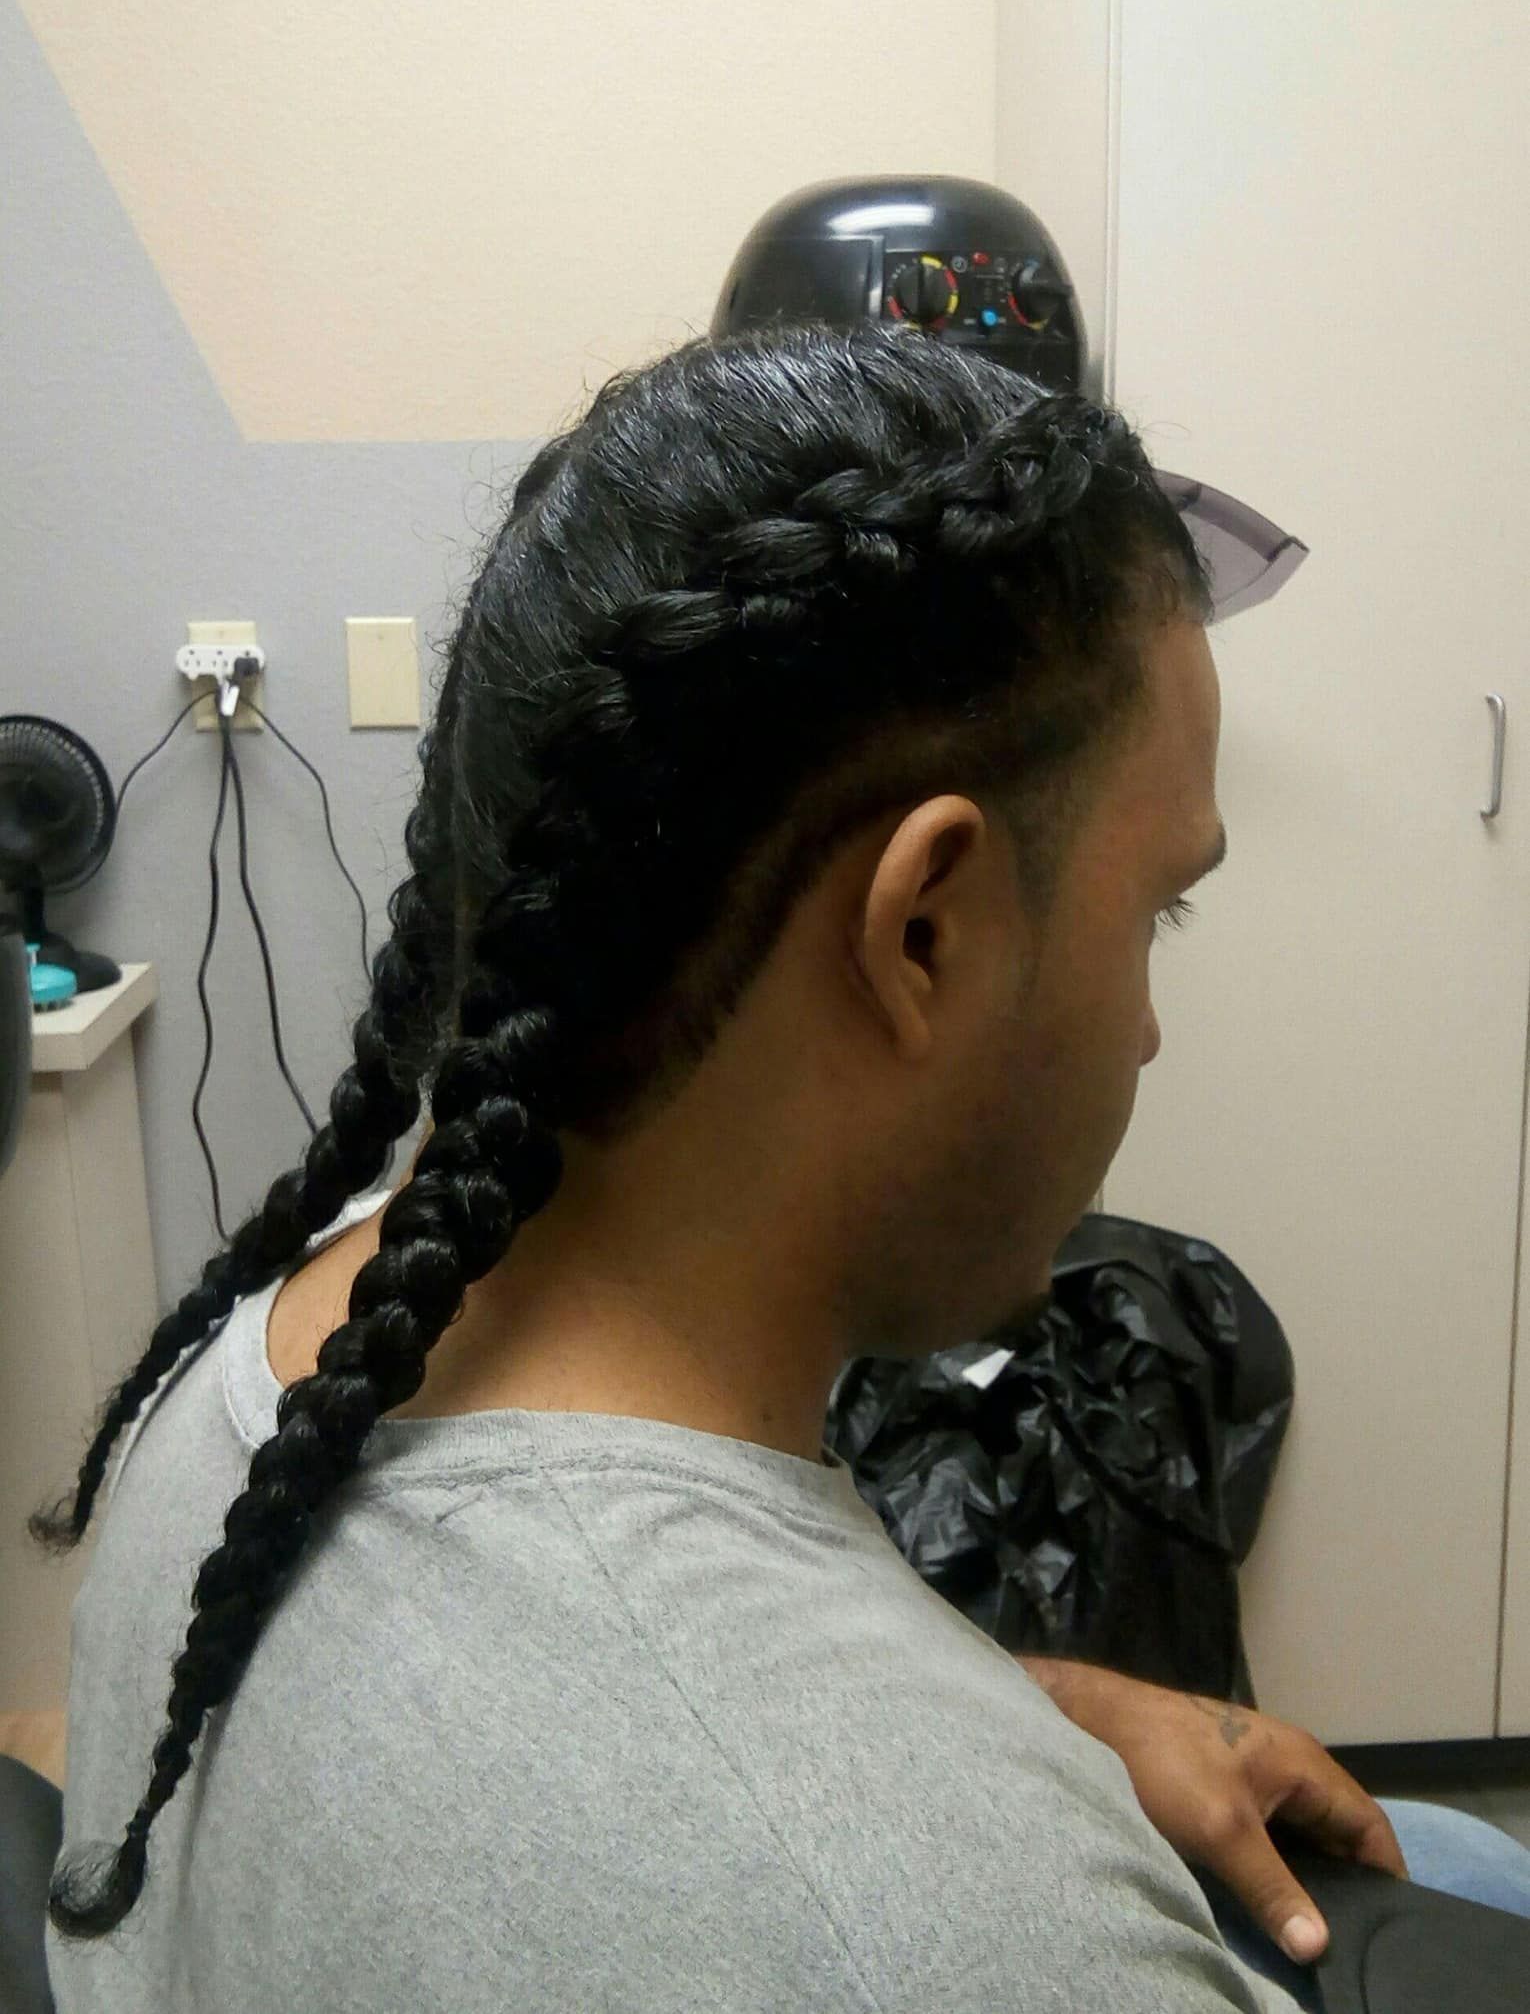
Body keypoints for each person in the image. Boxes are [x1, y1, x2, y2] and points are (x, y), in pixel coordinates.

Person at [32, 321, 1530, 2012]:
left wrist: (1025, 1715)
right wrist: (957, 1795)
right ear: (925, 930)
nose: (1147, 1039)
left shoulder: (263, 1372)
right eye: (1156, 912)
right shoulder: (964, 1945)